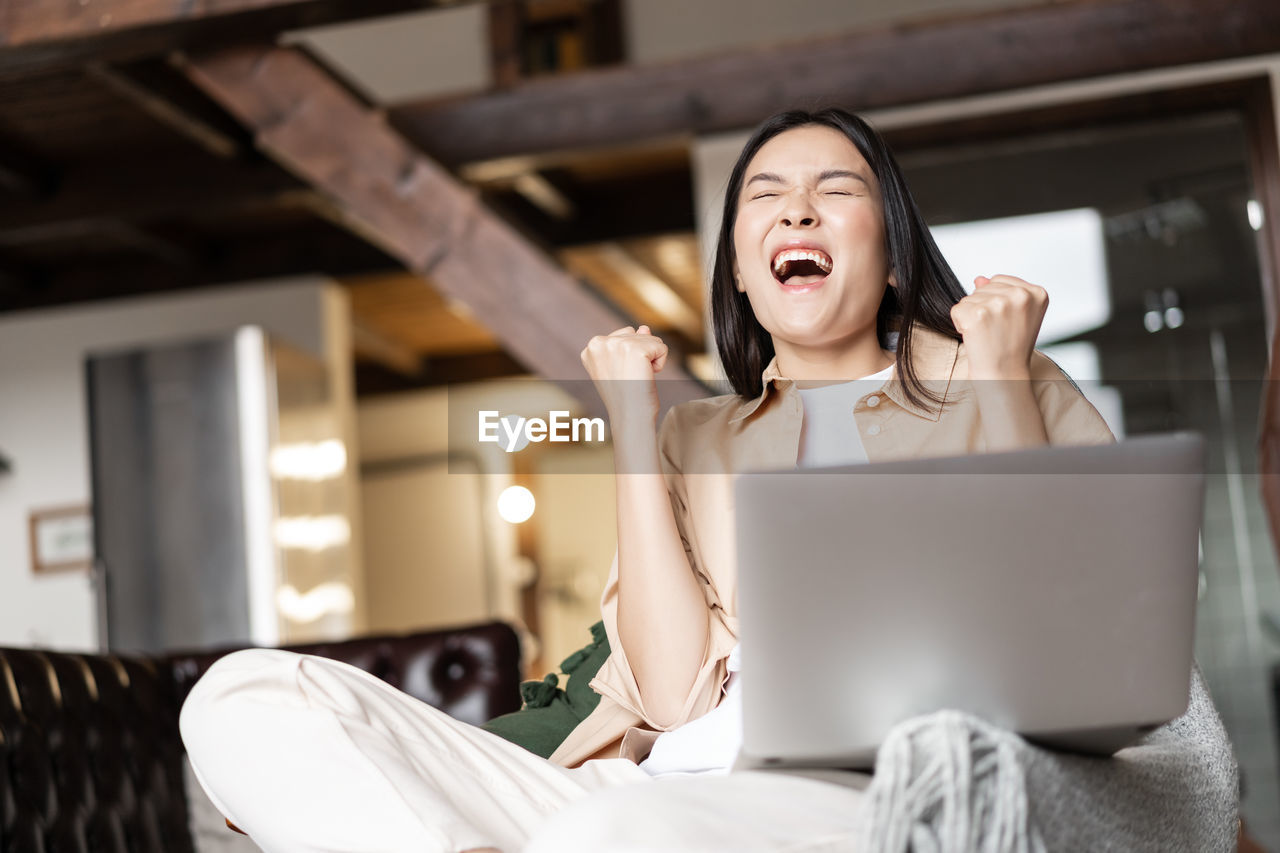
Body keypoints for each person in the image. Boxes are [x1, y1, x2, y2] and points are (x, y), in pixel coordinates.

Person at [179, 109, 1227, 853]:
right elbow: (672, 694)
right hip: (638, 788)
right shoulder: (695, 438)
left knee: (619, 832)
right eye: (764, 199)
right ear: (737, 268)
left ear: (897, 256)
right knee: (244, 697)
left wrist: (999, 376)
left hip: (839, 795)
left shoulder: (1003, 372)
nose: (794, 215)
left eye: (834, 193)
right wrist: (633, 429)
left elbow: (1081, 626)